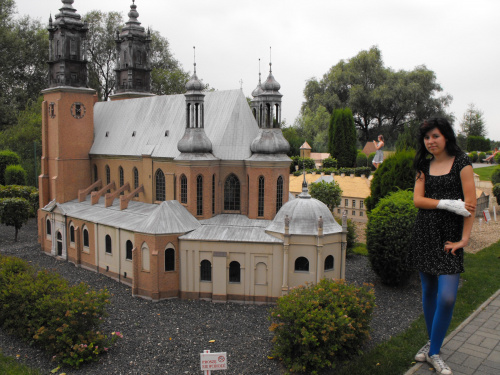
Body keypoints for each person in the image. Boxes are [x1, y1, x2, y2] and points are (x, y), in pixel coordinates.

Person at [408, 118, 476, 375]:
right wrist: (446, 203)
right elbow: (417, 200)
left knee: (447, 297)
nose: (430, 142)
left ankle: (433, 349)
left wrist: (464, 240)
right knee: (428, 292)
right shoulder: (423, 165)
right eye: (426, 138)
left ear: (446, 136)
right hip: (426, 234)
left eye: (435, 136)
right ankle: (434, 348)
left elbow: (469, 206)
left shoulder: (462, 162)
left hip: (450, 238)